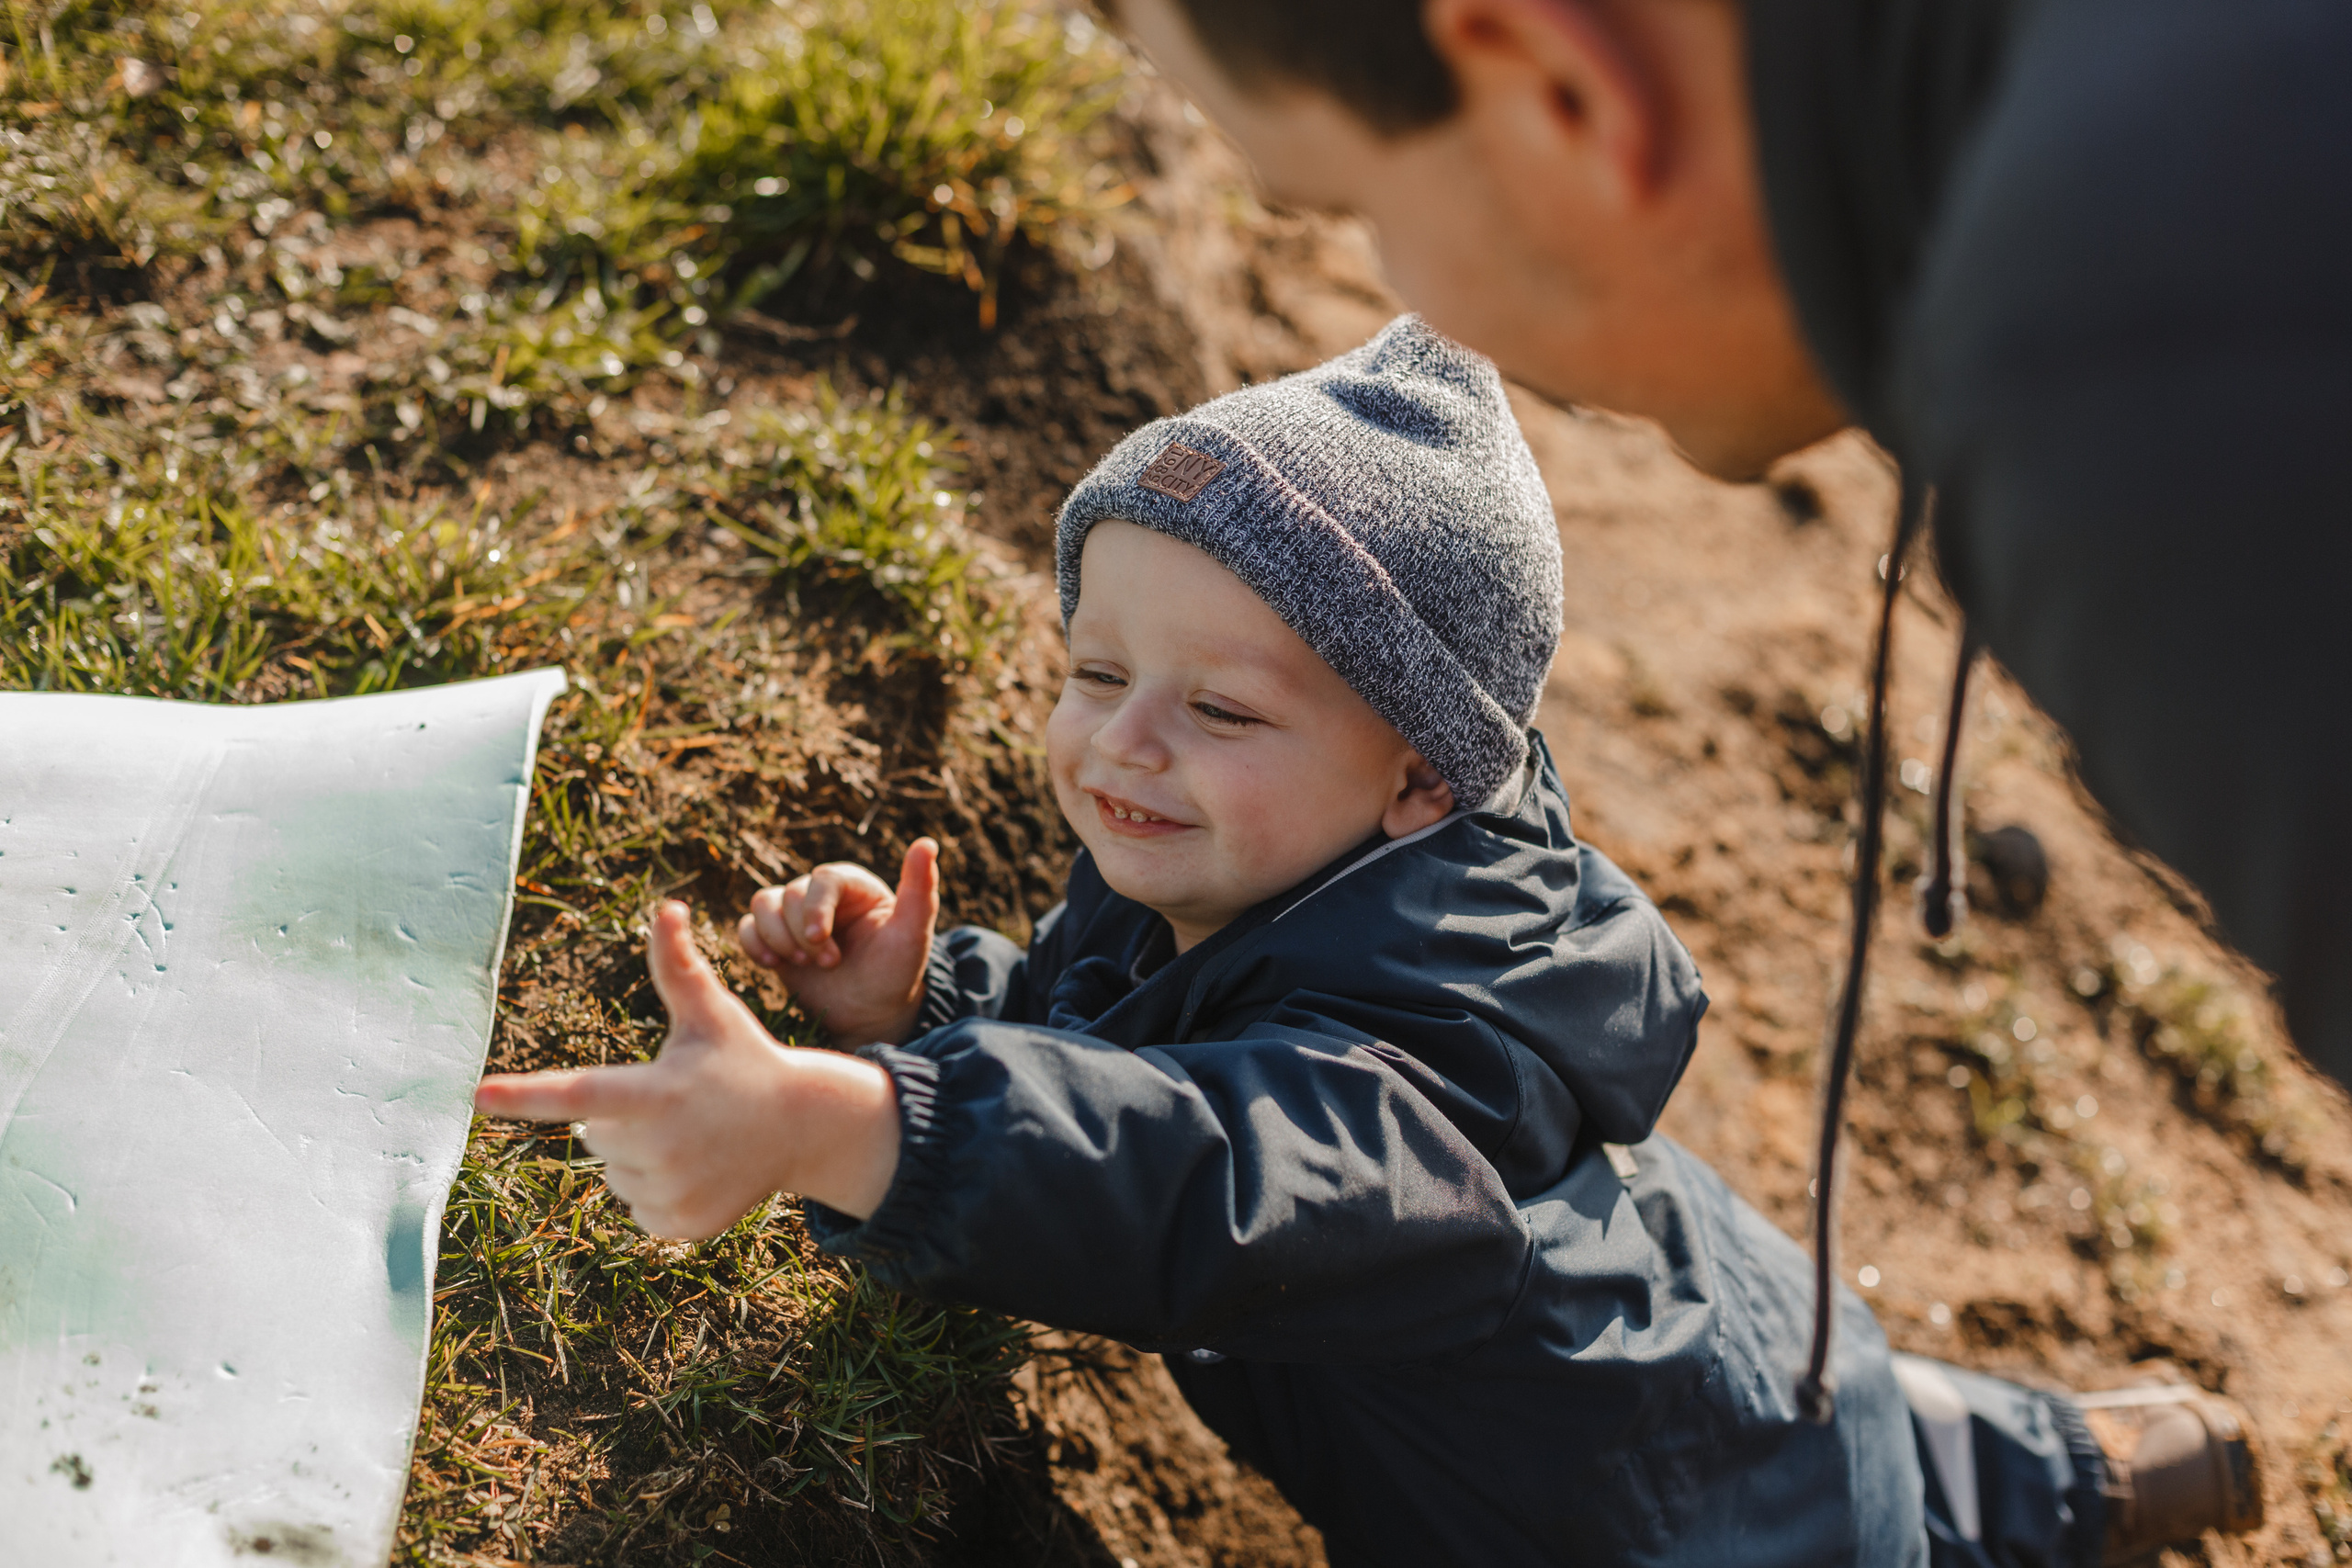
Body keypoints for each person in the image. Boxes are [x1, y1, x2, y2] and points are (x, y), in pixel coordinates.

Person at [476, 319, 2256, 1566]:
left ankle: (2063, 1472)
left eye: (1218, 708)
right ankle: (2094, 1459)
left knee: (1853, 1494)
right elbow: (1161, 1054)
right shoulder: (1275, 858)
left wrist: (858, 1125)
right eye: (1096, 670)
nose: (1120, 744)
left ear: (1414, 769)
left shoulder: (1405, 1109)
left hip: (1637, 1532)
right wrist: (926, 1003)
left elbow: (1218, 1169)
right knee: (1885, 1436)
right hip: (1712, 1350)